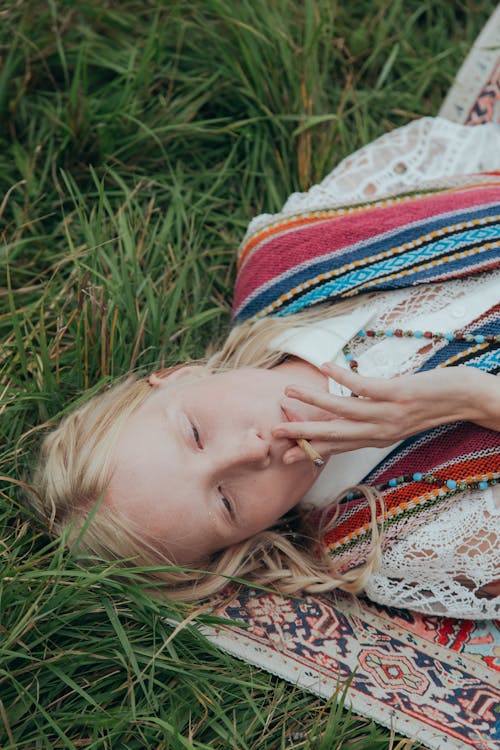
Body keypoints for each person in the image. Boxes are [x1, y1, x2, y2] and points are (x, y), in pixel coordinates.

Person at [30, 115, 500, 619]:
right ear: (248, 542)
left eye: (196, 433)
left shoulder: (287, 254)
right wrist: (472, 400)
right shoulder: (397, 539)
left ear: (177, 375)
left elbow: (471, 150)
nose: (252, 451)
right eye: (227, 503)